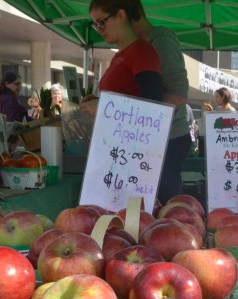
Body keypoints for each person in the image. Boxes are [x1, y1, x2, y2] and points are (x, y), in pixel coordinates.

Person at [130, 1, 193, 204]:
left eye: (104, 22)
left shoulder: (161, 40)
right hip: (156, 139)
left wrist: (145, 122)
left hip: (169, 138)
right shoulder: (140, 46)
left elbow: (178, 93)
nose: (102, 30)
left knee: (164, 204)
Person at [79, 0, 163, 118]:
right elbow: (127, 95)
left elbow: (153, 104)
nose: (99, 30)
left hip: (133, 134)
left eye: (102, 22)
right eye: (95, 25)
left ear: (121, 15)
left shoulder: (142, 51)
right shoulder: (119, 56)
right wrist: (98, 100)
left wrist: (103, 106)